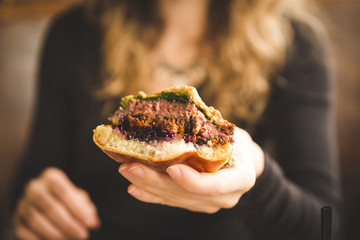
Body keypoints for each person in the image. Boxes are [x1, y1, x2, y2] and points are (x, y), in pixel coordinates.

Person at [10, 0, 342, 239]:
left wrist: (257, 173)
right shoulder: (74, 33)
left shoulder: (296, 43)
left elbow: (327, 225)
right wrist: (34, 207)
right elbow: (29, 183)